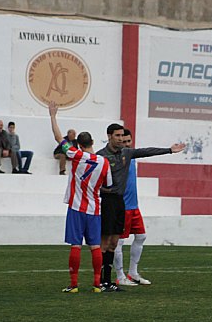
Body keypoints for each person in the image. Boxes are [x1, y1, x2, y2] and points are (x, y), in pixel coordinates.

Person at [97, 124, 185, 291]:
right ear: (109, 136)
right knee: (104, 242)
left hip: (120, 203)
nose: (121, 139)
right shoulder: (100, 156)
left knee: (114, 243)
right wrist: (103, 190)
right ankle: (100, 281)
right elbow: (90, 180)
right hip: (107, 201)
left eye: (122, 135)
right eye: (117, 135)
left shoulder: (126, 153)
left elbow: (146, 151)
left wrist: (169, 150)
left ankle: (109, 282)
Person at [49, 102, 111, 294]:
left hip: (76, 207)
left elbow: (59, 138)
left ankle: (74, 284)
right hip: (95, 209)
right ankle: (96, 284)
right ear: (92, 143)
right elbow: (108, 186)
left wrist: (53, 116)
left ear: (80, 145)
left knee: (76, 245)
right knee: (95, 246)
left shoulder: (76, 155)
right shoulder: (104, 162)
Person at [114, 129, 152, 287]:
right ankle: (120, 275)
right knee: (119, 241)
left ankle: (133, 273)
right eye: (124, 141)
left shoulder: (132, 156)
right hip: (122, 206)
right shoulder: (115, 158)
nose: (127, 144)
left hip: (134, 206)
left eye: (129, 141)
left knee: (141, 236)